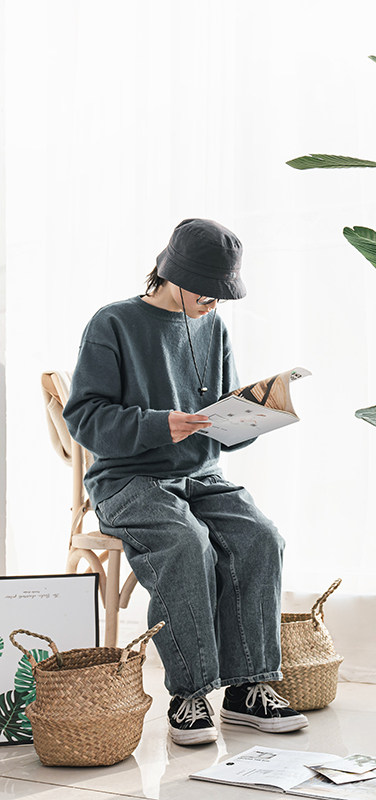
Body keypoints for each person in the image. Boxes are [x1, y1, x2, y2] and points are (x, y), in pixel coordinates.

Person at [63, 218, 308, 745]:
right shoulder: (114, 323)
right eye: (207, 289)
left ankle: (247, 688)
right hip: (128, 480)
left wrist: (252, 418)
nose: (215, 302)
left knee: (262, 538)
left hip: (201, 475)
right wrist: (158, 424)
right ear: (172, 273)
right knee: (185, 542)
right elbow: (84, 418)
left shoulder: (213, 327)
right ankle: (190, 693)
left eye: (224, 293)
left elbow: (219, 421)